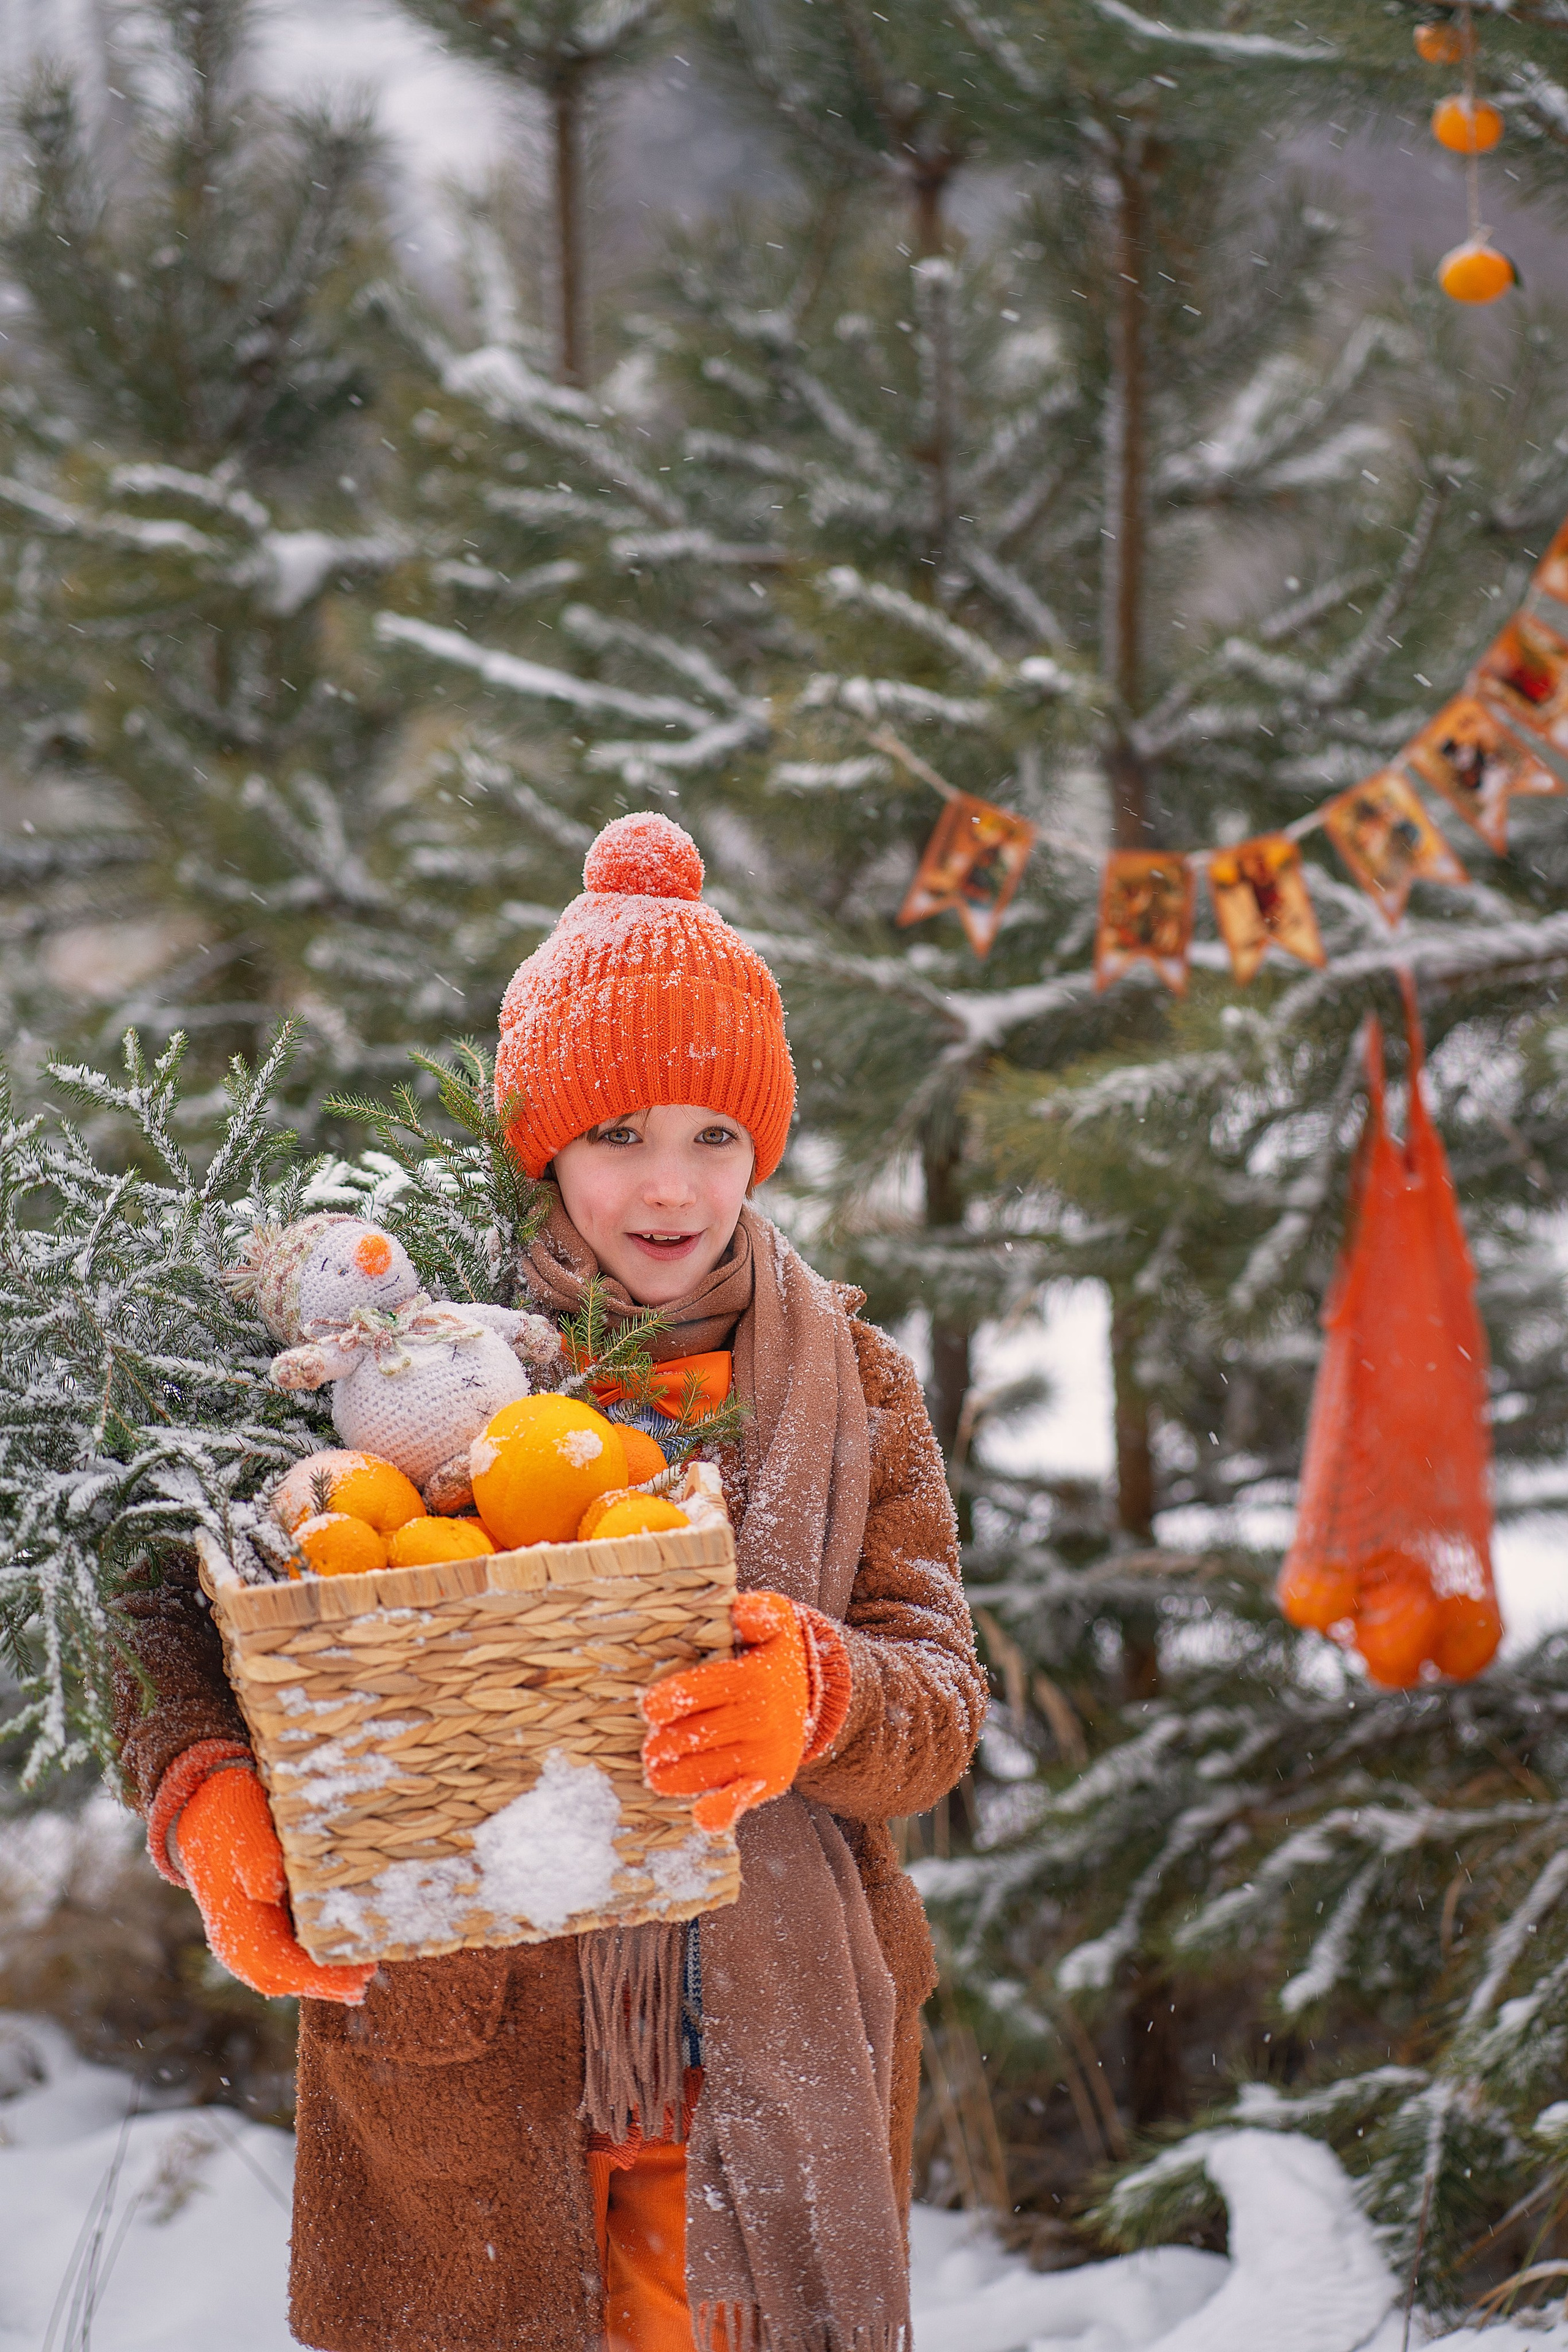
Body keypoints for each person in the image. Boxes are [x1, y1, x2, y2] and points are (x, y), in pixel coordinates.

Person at [112, 810, 987, 2352]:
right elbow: (176, 1600)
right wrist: (205, 1792)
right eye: (617, 1137)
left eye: (713, 1136)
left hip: (753, 2079)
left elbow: (938, 1699)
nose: (669, 1189)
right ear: (543, 1144)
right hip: (471, 2043)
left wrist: (822, 1699)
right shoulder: (408, 1359)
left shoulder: (850, 1385)